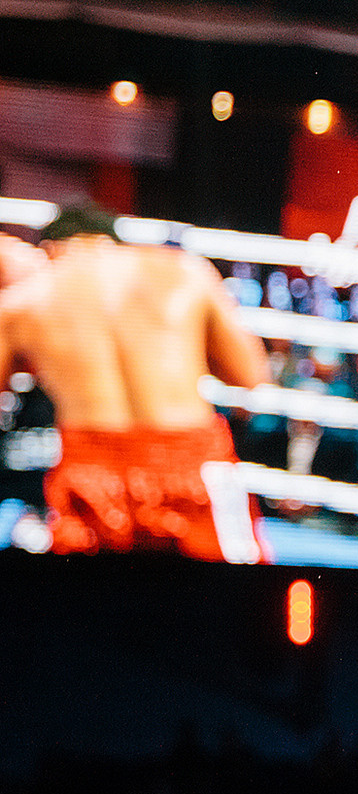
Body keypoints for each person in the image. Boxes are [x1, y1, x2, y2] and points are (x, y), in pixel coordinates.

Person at [0, 202, 270, 563]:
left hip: (90, 468)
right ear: (113, 241)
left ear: (50, 251)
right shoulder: (185, 271)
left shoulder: (23, 302)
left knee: (95, 611)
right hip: (191, 457)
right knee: (234, 606)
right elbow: (251, 379)